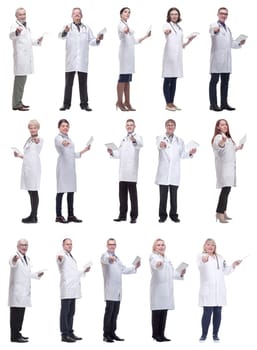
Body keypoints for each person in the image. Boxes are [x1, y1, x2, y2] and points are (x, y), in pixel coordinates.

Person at [59, 7, 104, 111]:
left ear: (82, 16)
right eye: (75, 14)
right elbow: (61, 36)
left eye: (79, 14)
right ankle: (66, 104)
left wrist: (97, 39)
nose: (77, 15)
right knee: (68, 84)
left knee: (83, 84)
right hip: (71, 61)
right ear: (72, 16)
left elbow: (92, 41)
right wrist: (65, 32)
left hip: (82, 61)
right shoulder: (67, 27)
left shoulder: (86, 28)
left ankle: (84, 104)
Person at [198, 238, 242, 342]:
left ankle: (215, 335)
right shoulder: (201, 256)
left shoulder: (220, 257)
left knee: (218, 313)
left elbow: (226, 271)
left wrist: (233, 265)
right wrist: (204, 260)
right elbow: (201, 265)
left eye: (213, 245)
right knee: (207, 313)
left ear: (215, 247)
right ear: (204, 246)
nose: (210, 246)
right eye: (208, 244)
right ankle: (203, 335)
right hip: (208, 291)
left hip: (219, 291)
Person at [155, 119, 197, 223]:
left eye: (172, 125)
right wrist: (162, 145)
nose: (170, 127)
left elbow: (182, 154)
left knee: (174, 197)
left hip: (174, 172)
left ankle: (173, 215)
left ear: (175, 127)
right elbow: (159, 145)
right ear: (165, 126)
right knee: (163, 197)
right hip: (163, 173)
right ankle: (162, 216)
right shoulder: (160, 138)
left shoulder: (180, 140)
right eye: (168, 125)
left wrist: (190, 153)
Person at [101, 238, 141, 342]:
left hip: (118, 291)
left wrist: (135, 267)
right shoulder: (105, 255)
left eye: (113, 244)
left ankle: (112, 333)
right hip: (110, 290)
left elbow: (123, 269)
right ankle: (106, 335)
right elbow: (105, 260)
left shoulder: (117, 258)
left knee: (115, 313)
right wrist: (110, 259)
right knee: (109, 313)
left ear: (116, 245)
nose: (112, 246)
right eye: (110, 244)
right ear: (107, 245)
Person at [209, 7, 246, 111]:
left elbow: (231, 43)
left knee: (225, 82)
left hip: (226, 61)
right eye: (222, 13)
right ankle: (213, 104)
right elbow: (212, 31)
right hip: (217, 60)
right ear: (218, 14)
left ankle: (224, 103)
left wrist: (239, 43)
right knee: (214, 81)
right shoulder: (214, 24)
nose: (223, 15)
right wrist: (215, 31)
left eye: (225, 14)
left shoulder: (228, 29)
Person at [55, 119, 91, 223]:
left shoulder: (69, 138)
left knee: (71, 192)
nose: (65, 127)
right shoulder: (58, 138)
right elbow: (62, 143)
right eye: (63, 126)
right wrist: (64, 142)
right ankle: (58, 216)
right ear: (59, 127)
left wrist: (85, 150)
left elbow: (72, 154)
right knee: (61, 192)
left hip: (70, 169)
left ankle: (71, 215)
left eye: (67, 126)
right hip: (63, 167)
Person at [107, 119, 143, 223]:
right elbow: (119, 154)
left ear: (134, 126)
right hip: (122, 173)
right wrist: (111, 152)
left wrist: (134, 140)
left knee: (133, 197)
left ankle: (133, 216)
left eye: (131, 125)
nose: (129, 126)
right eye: (127, 125)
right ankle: (122, 215)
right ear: (125, 126)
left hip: (132, 172)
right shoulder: (123, 139)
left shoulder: (137, 137)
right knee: (122, 196)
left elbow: (139, 145)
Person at [150, 239, 186, 342]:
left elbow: (172, 273)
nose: (161, 247)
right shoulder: (153, 256)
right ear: (154, 247)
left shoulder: (167, 259)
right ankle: (155, 335)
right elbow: (155, 264)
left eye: (162, 245)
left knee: (164, 312)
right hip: (158, 290)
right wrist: (158, 264)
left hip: (167, 290)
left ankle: (162, 334)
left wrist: (181, 273)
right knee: (157, 312)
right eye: (158, 245)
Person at [8, 239, 44, 342]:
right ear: (18, 246)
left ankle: (18, 334)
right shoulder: (14, 256)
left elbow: (27, 273)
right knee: (15, 315)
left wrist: (37, 275)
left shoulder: (26, 258)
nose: (24, 247)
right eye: (22, 245)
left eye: (26, 245)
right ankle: (14, 336)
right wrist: (15, 259)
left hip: (23, 293)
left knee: (20, 315)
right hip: (16, 292)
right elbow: (12, 263)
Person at [116, 7, 151, 111]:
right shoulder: (121, 24)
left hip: (130, 57)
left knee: (127, 80)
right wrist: (126, 30)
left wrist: (146, 36)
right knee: (122, 79)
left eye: (129, 12)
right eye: (125, 12)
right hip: (124, 56)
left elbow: (134, 41)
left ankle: (127, 102)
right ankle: (119, 102)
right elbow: (124, 31)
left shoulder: (127, 25)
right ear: (121, 14)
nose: (128, 13)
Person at [57, 238, 91, 342]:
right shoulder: (61, 254)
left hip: (73, 289)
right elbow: (60, 260)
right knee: (65, 312)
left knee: (71, 312)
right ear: (63, 245)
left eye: (71, 244)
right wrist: (60, 258)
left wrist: (84, 270)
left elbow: (74, 273)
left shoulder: (71, 256)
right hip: (67, 288)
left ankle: (70, 332)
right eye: (67, 244)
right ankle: (64, 334)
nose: (69, 246)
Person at [162, 7, 196, 111]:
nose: (174, 16)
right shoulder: (167, 25)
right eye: (172, 14)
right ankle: (167, 103)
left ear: (178, 16)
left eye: (176, 14)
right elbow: (165, 31)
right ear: (169, 16)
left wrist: (189, 40)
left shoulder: (179, 28)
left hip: (178, 57)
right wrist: (167, 31)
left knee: (174, 80)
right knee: (168, 79)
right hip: (169, 56)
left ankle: (172, 103)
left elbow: (181, 45)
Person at [10, 8, 43, 111]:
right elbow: (11, 36)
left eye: (24, 14)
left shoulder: (26, 26)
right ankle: (16, 104)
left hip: (25, 59)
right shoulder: (15, 26)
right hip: (20, 58)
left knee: (22, 82)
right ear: (16, 16)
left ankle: (18, 102)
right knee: (19, 82)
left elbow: (28, 41)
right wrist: (16, 32)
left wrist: (37, 41)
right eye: (20, 14)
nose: (23, 16)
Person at [212, 119, 243, 223]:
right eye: (222, 124)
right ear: (218, 127)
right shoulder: (219, 137)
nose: (225, 126)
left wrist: (238, 147)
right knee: (225, 191)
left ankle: (223, 211)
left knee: (227, 190)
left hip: (230, 168)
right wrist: (223, 141)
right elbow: (219, 147)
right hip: (224, 168)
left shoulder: (228, 138)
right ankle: (219, 213)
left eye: (226, 124)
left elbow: (230, 150)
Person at [14, 120, 43, 223]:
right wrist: (19, 155)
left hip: (33, 168)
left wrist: (36, 140)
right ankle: (32, 215)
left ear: (38, 128)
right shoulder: (29, 139)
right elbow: (29, 155)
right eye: (31, 128)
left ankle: (34, 216)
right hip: (28, 167)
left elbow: (38, 142)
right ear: (29, 129)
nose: (33, 129)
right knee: (30, 191)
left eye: (35, 127)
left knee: (33, 191)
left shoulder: (38, 139)